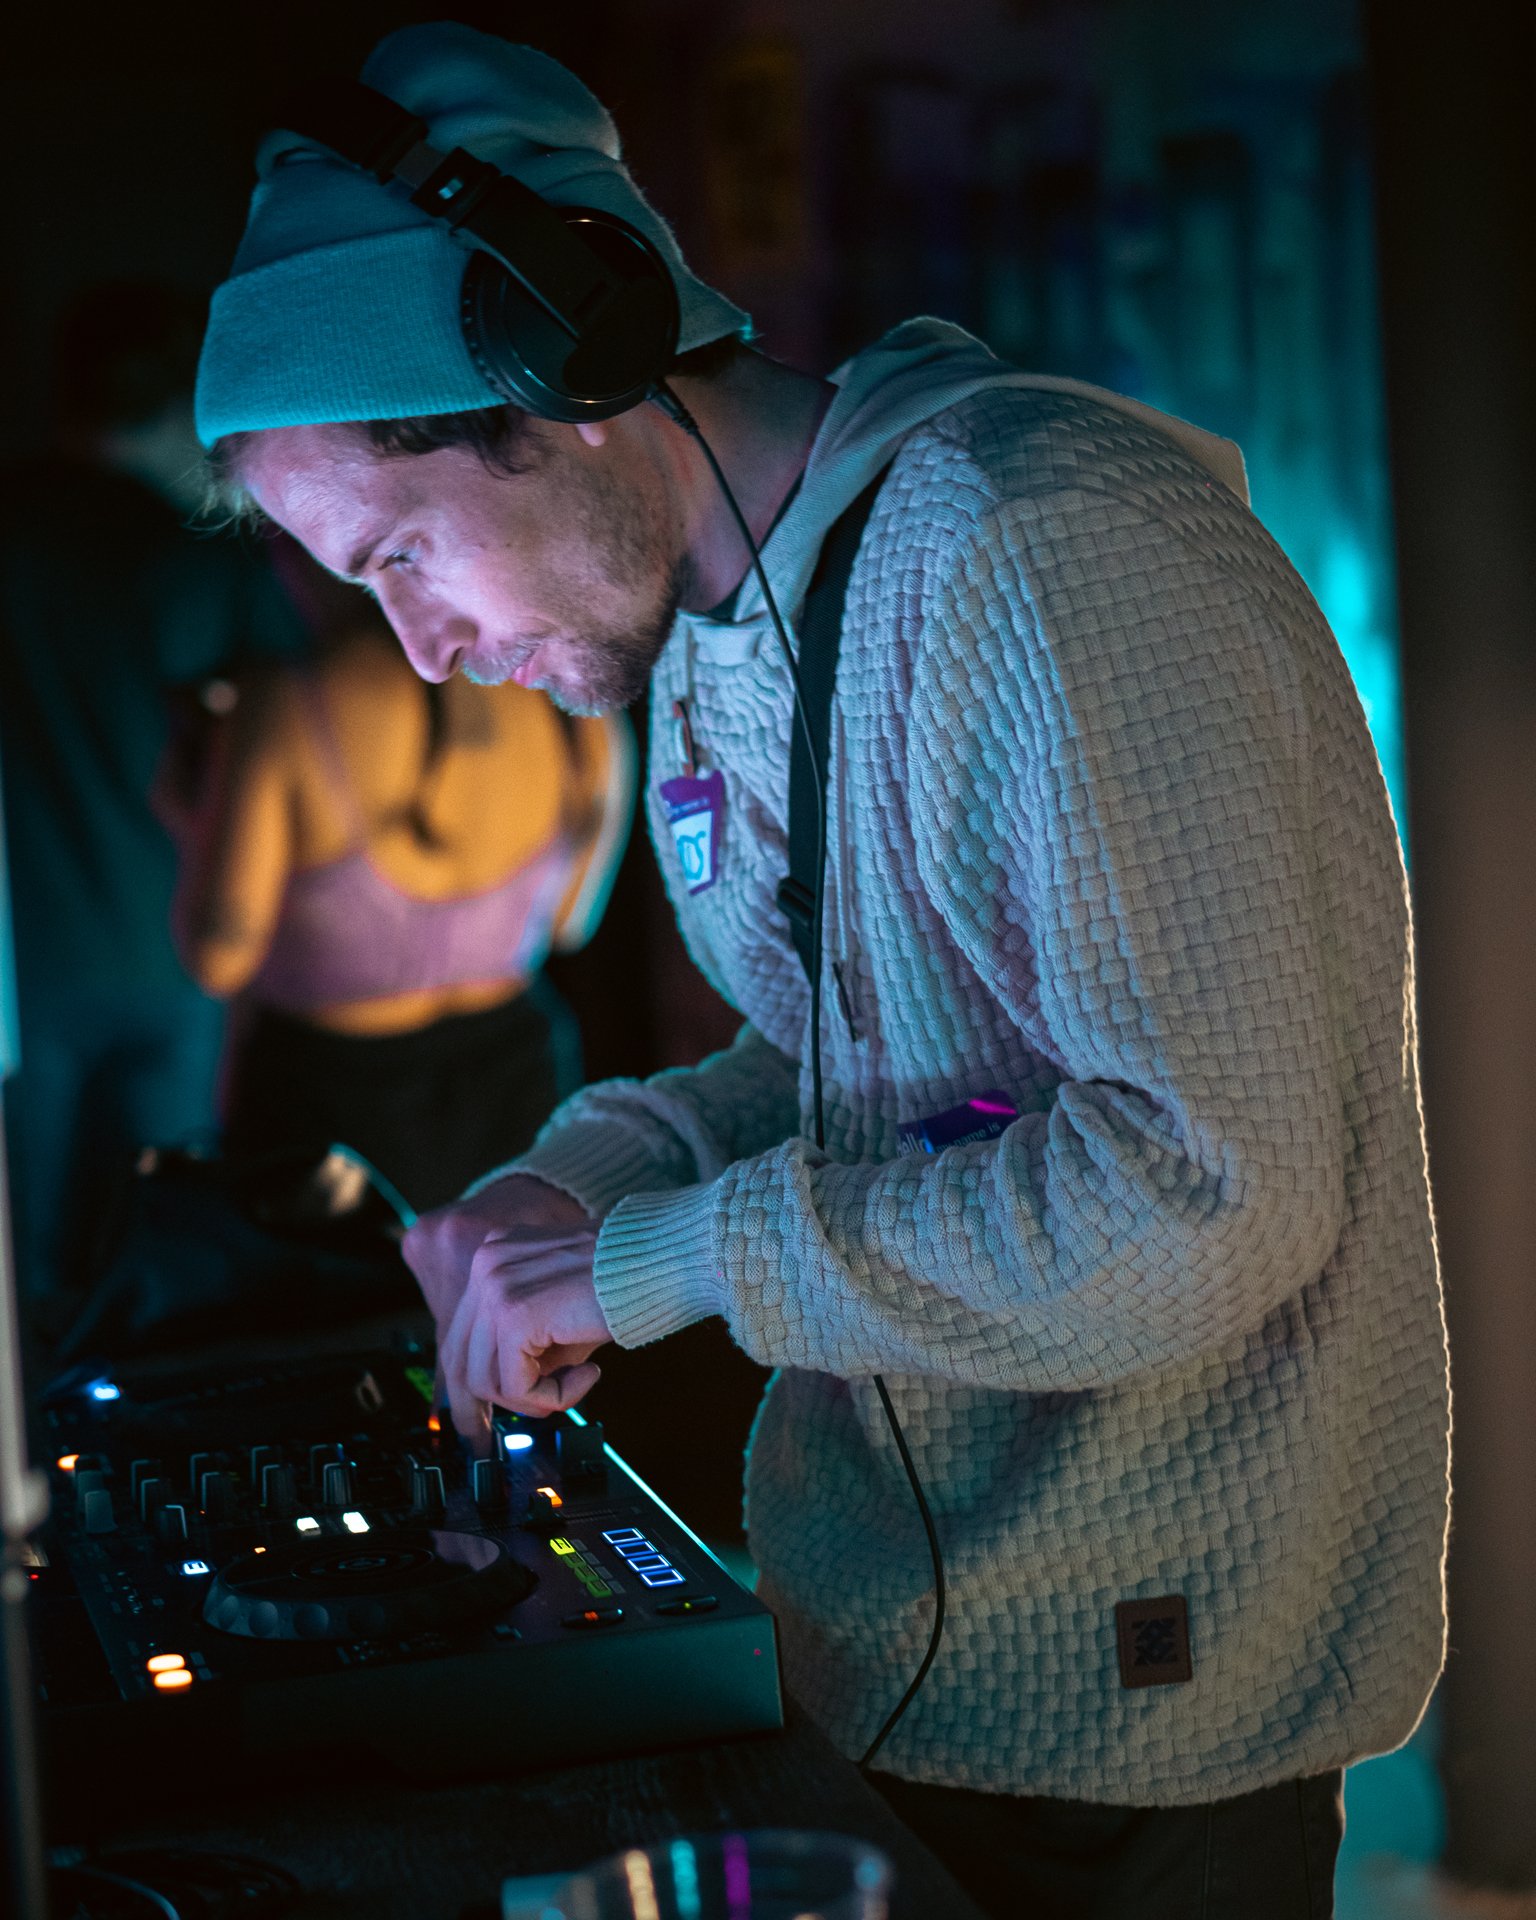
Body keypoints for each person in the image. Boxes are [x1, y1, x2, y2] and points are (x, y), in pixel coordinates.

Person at [193, 24, 1451, 1918]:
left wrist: (664, 1262)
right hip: (878, 1667)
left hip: (1140, 1720)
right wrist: (584, 1183)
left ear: (564, 378)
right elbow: (872, 1068)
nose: (424, 650)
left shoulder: (1038, 548)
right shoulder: (717, 630)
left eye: (403, 557)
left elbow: (1206, 1189)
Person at [0, 280, 304, 1332]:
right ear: (184, 400)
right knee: (164, 1258)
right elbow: (282, 725)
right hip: (176, 948)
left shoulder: (11, 527)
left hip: (23, 971)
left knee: (22, 1274)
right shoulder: (194, 551)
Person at [169, 538, 633, 1215]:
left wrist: (191, 815)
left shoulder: (283, 704)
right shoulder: (556, 689)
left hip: (332, 1102)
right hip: (516, 1068)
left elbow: (219, 957)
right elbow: (569, 924)